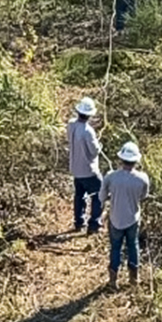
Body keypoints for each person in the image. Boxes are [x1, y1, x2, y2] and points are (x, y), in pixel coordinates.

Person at [99, 141, 149, 290]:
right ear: (136, 161)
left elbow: (102, 196)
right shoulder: (142, 178)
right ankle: (134, 280)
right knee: (133, 246)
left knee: (115, 248)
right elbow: (143, 196)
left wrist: (109, 197)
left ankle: (113, 281)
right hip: (133, 219)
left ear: (121, 159)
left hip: (115, 219)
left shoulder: (111, 177)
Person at [67, 97, 103, 234]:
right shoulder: (88, 131)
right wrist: (99, 145)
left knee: (79, 196)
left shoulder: (71, 125)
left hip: (75, 168)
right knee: (98, 195)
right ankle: (94, 225)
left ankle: (79, 222)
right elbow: (94, 152)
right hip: (89, 170)